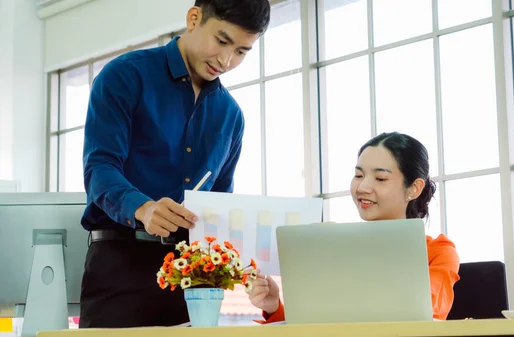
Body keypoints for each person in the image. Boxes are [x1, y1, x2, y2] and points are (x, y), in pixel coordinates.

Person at [79, 0, 270, 328]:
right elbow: (99, 169)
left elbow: (218, 205)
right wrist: (144, 209)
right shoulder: (125, 76)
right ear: (194, 18)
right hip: (119, 266)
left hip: (191, 279)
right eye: (222, 41)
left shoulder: (231, 117)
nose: (226, 60)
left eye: (241, 51)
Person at [247, 132, 460, 322]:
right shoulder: (331, 246)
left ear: (414, 188)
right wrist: (274, 306)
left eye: (380, 178)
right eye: (359, 175)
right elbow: (315, 325)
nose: (363, 187)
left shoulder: (439, 251)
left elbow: (425, 312)